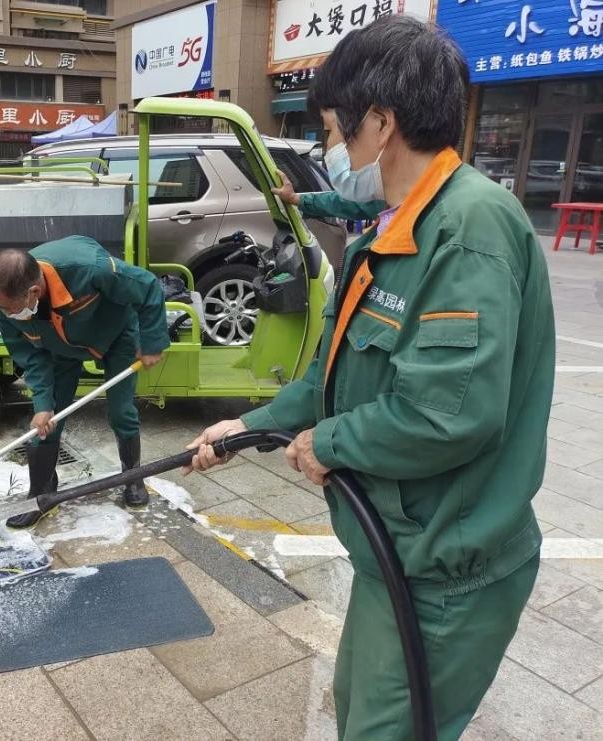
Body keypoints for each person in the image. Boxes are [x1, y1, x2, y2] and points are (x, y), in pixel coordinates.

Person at [186, 15, 554, 740]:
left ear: (380, 124)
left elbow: (448, 413)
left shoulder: (470, 228)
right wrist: (248, 427)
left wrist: (331, 442)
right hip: (396, 554)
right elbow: (333, 377)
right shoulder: (394, 231)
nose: (334, 147)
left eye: (336, 128)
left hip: (450, 570)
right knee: (358, 711)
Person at [0, 235, 170, 528]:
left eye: (10, 309)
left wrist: (153, 341)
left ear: (34, 291)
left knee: (121, 410)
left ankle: (133, 477)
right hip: (59, 348)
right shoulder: (7, 308)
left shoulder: (90, 270)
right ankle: (41, 495)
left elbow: (147, 286)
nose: (5, 315)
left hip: (114, 335)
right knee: (47, 420)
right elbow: (31, 358)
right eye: (2, 308)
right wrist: (43, 404)